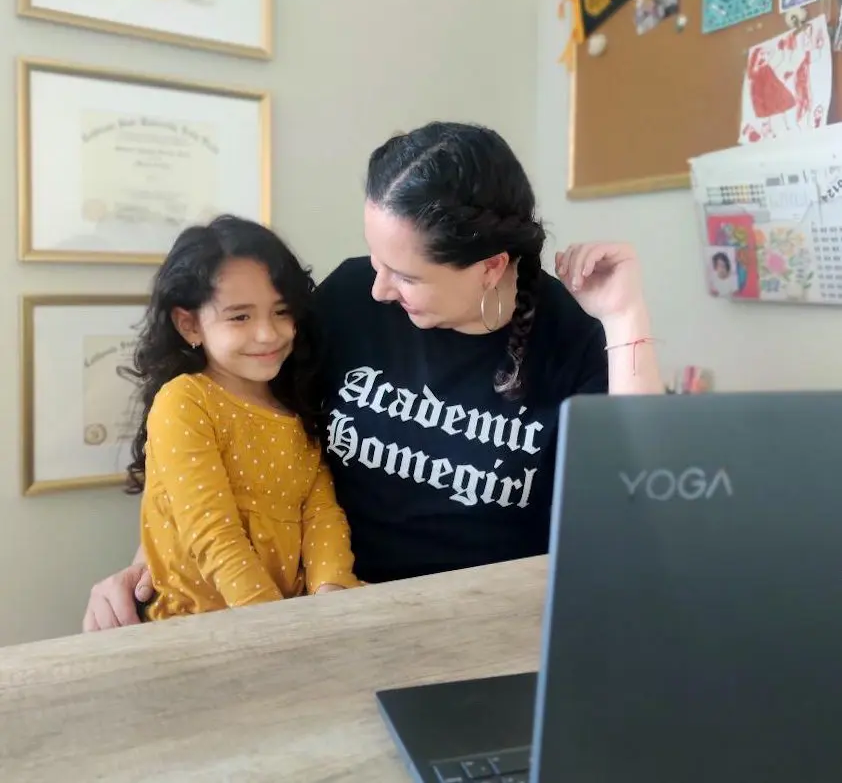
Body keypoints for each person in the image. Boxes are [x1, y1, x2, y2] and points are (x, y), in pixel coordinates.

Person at [83, 121, 663, 632]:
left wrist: (624, 315)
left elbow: (641, 506)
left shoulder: (572, 338)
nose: (379, 287)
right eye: (376, 259)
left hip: (487, 627)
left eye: (405, 275)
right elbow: (227, 420)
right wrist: (146, 561)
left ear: (490, 268)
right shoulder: (351, 300)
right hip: (328, 614)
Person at [118, 215, 359, 624]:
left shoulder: (296, 408)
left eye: (281, 312)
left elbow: (322, 514)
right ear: (189, 324)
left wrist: (331, 594)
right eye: (240, 317)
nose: (268, 334)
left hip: (289, 619)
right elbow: (212, 532)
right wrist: (270, 623)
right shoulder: (185, 402)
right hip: (198, 627)